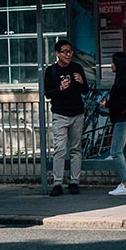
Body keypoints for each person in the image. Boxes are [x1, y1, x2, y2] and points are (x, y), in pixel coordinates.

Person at [43, 38, 89, 195]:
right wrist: (60, 88)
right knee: (60, 148)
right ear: (57, 53)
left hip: (77, 113)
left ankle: (74, 181)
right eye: (65, 52)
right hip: (60, 113)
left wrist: (81, 81)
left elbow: (85, 90)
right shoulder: (51, 71)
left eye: (70, 51)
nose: (68, 54)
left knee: (76, 148)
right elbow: (47, 93)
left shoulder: (77, 68)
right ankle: (57, 183)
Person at [101, 51, 126, 196]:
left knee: (116, 151)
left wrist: (108, 104)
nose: (111, 65)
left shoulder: (123, 82)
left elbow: (123, 102)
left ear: (118, 65)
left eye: (113, 62)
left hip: (122, 121)